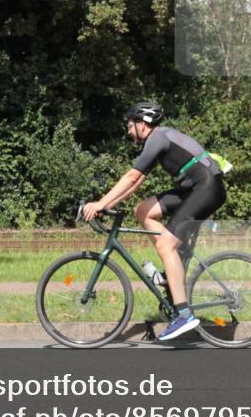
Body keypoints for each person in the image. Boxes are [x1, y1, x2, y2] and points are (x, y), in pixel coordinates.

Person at [81, 101, 226, 340]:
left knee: (164, 245)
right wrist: (107, 205)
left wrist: (99, 204)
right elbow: (136, 182)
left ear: (143, 124)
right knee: (143, 211)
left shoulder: (158, 138)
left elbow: (131, 176)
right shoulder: (159, 138)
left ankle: (183, 315)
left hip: (206, 189)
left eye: (130, 125)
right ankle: (171, 271)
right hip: (195, 189)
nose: (128, 130)